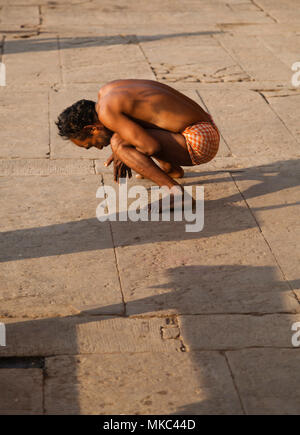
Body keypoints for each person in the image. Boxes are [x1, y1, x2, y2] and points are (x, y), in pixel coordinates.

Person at [56, 79, 220, 194]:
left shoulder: (106, 112)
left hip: (200, 140)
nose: (98, 148)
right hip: (205, 127)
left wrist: (120, 152)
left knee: (119, 143)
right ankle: (171, 170)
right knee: (131, 133)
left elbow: (151, 147)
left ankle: (175, 193)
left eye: (91, 144)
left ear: (92, 129)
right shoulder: (107, 91)